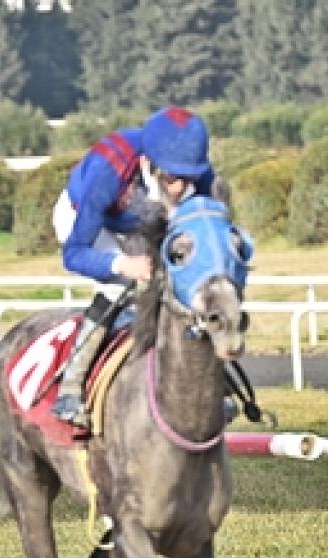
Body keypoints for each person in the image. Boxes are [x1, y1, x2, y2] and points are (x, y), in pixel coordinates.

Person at [50, 105, 220, 427]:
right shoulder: (107, 173)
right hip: (84, 221)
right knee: (119, 286)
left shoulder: (194, 169)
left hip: (138, 218)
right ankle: (70, 389)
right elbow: (73, 254)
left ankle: (212, 385)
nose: (181, 189)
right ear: (148, 164)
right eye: (172, 179)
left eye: (189, 179)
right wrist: (122, 263)